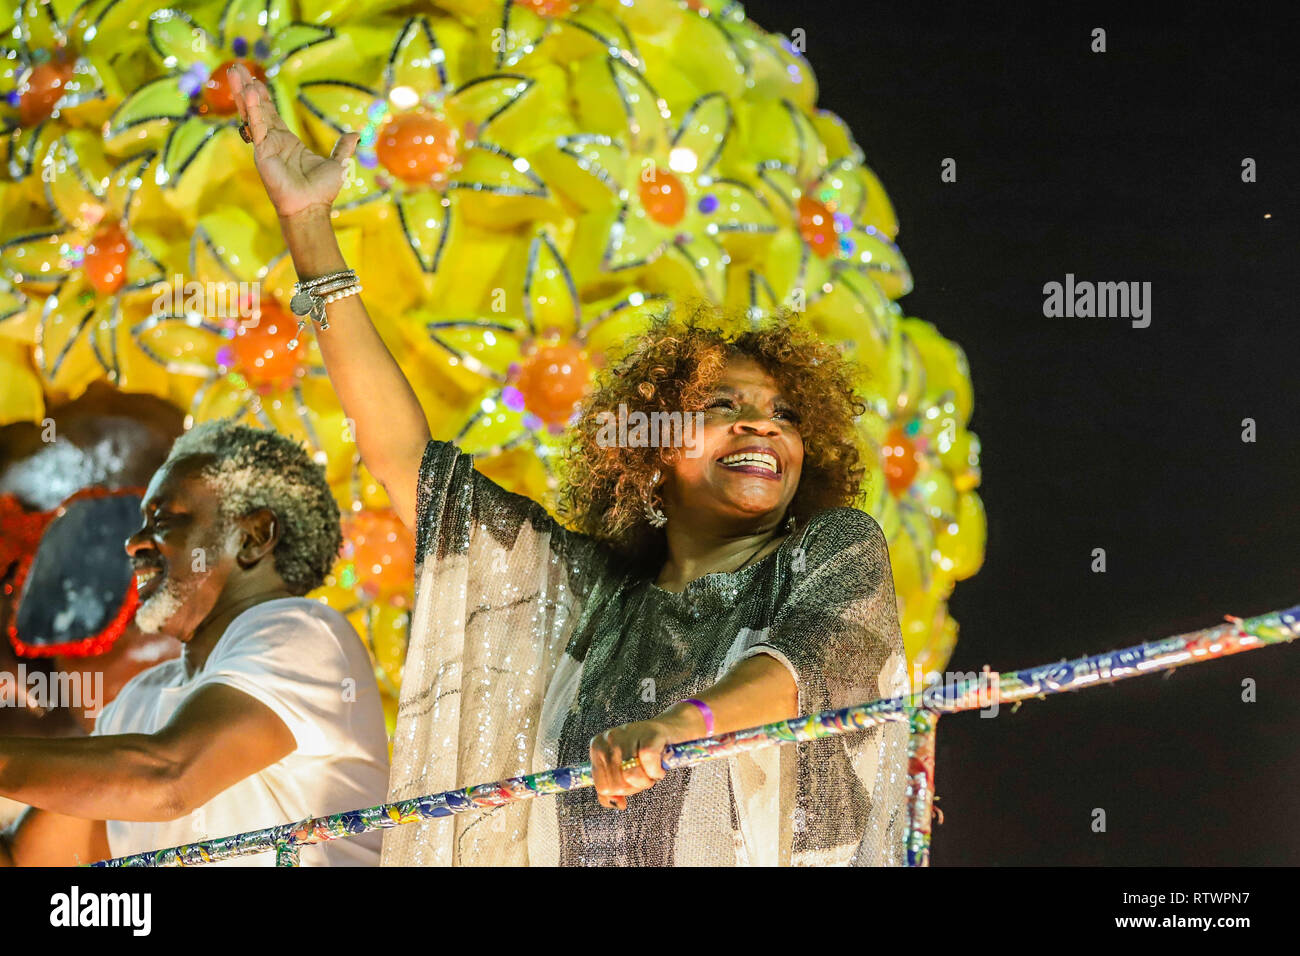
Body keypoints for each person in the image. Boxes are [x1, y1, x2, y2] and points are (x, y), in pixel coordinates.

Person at [229, 63, 910, 866]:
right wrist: (308, 226)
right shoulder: (586, 602)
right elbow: (408, 462)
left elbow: (804, 670)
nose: (764, 426)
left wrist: (677, 726)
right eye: (725, 406)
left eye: (786, 415)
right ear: (651, 451)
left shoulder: (833, 549)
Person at [0, 421, 390, 866]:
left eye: (164, 520)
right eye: (141, 522)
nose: (133, 544)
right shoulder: (137, 702)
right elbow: (26, 860)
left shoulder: (303, 631)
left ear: (254, 536)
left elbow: (168, 779)